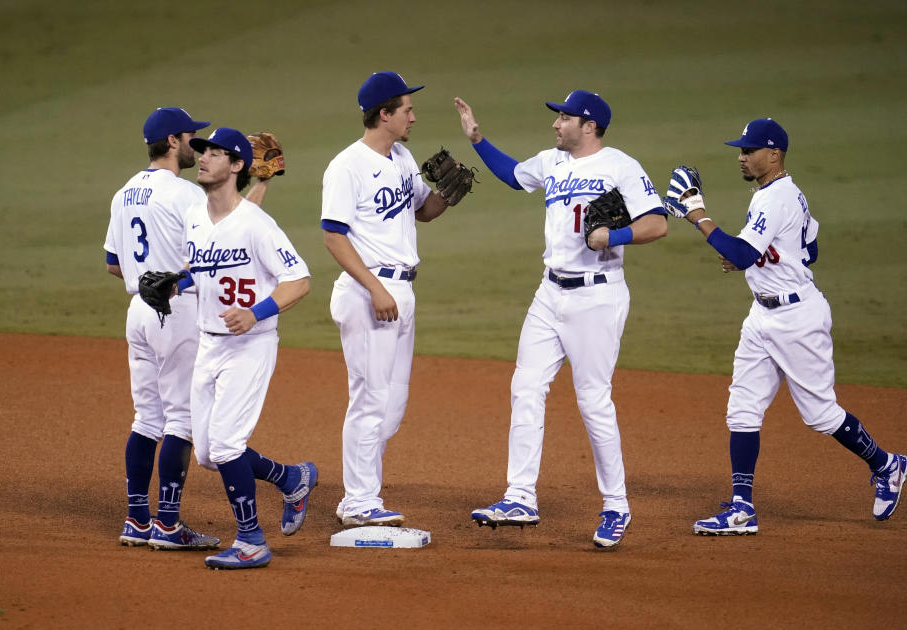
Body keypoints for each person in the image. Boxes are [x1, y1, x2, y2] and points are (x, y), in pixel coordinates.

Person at [663, 118, 906, 534]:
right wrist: (756, 256)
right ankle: (741, 508)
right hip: (762, 317)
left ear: (773, 154)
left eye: (749, 150)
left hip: (797, 320)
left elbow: (743, 254)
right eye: (740, 150)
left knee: (820, 414)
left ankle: (888, 465)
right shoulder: (780, 193)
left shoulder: (775, 198)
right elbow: (807, 249)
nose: (741, 157)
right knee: (742, 408)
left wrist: (696, 214)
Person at [455, 91, 668, 548]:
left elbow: (657, 223)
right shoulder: (552, 162)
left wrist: (616, 233)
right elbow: (514, 176)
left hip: (598, 296)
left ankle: (617, 506)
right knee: (525, 386)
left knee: (593, 400)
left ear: (588, 125)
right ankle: (520, 496)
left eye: (565, 118)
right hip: (549, 292)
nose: (556, 125)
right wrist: (478, 139)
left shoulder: (621, 166)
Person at [176, 127, 316, 569]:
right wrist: (172, 282)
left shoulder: (258, 225)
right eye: (202, 151)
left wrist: (256, 312)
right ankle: (292, 478)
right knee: (207, 455)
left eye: (215, 153)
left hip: (250, 345)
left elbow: (300, 280)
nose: (203, 158)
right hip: (208, 346)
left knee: (227, 446)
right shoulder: (196, 216)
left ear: (237, 166)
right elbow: (199, 268)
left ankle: (251, 540)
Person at [321, 71, 452, 527]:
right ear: (384, 114)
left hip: (401, 290)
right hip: (368, 290)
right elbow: (333, 236)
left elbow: (424, 211)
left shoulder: (402, 156)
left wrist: (448, 194)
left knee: (391, 406)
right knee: (370, 399)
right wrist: (374, 288)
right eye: (406, 110)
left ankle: (358, 494)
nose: (413, 117)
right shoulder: (346, 166)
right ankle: (359, 500)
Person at [105, 107, 220, 550]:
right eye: (194, 136)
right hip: (178, 312)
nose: (201, 145)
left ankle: (136, 520)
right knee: (181, 418)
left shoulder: (124, 193)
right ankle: (168, 525)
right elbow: (220, 249)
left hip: (138, 312)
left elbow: (114, 265)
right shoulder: (184, 195)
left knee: (146, 417)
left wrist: (149, 275)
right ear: (173, 141)